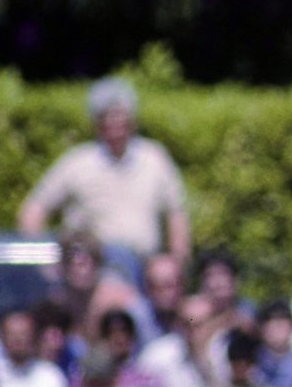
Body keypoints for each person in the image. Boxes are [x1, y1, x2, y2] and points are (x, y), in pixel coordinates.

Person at [18, 77, 192, 276]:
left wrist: (178, 263)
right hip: (93, 272)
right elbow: (33, 210)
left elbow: (177, 214)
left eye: (121, 120)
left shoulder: (154, 158)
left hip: (145, 270)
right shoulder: (78, 162)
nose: (115, 129)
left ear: (132, 122)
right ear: (97, 125)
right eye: (107, 121)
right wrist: (44, 265)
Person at [0, 308, 67, 387]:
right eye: (12, 334)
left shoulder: (51, 376)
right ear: (2, 337)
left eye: (23, 334)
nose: (18, 340)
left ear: (34, 336)